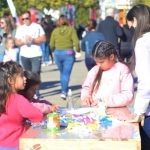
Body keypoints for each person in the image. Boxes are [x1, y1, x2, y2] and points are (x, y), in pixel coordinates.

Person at [0, 61, 43, 149]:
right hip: (16, 145)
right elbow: (38, 116)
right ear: (10, 81)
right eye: (21, 76)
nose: (25, 79)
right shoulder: (18, 99)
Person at [126, 4, 150, 150]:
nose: (133, 29)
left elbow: (147, 81)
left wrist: (139, 111)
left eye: (132, 25)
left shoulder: (143, 42)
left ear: (136, 20)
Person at [81, 41, 133, 107]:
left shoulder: (122, 70)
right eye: (96, 62)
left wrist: (105, 101)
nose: (98, 65)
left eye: (101, 62)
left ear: (111, 57)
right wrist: (86, 96)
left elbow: (128, 95)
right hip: (95, 111)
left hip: (116, 112)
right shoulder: (94, 70)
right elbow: (86, 87)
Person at [50, 15, 81, 100]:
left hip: (57, 53)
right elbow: (76, 42)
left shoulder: (55, 31)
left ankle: (64, 90)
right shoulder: (71, 29)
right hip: (68, 53)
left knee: (62, 73)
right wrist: (78, 50)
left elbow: (51, 44)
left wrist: (53, 50)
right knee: (66, 74)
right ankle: (64, 91)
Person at [15, 10, 46, 75]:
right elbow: (17, 42)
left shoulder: (37, 26)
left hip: (36, 54)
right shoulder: (20, 28)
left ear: (30, 17)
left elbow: (43, 38)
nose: (25, 20)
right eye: (23, 19)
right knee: (27, 75)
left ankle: (36, 84)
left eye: (27, 18)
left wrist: (33, 40)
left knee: (35, 73)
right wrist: (24, 42)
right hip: (24, 55)